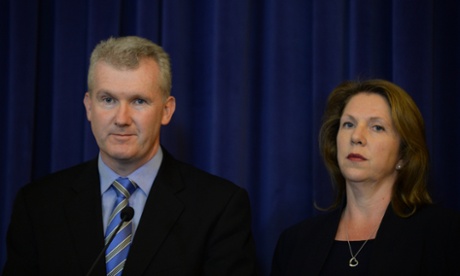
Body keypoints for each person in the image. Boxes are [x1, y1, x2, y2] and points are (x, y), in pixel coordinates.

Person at [4, 36, 256, 275]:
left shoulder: (219, 207)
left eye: (138, 101)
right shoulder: (38, 205)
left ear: (166, 110)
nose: (122, 119)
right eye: (108, 99)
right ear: (89, 107)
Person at [271, 79, 460, 275]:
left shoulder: (445, 236)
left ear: (403, 155)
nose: (356, 137)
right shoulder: (295, 243)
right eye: (348, 124)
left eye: (377, 127)